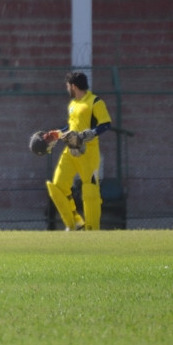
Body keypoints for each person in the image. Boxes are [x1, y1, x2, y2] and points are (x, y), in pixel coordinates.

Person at [44, 71, 112, 231]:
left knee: (90, 189)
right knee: (58, 185)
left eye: (68, 86)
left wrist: (90, 134)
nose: (68, 89)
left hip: (88, 152)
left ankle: (92, 229)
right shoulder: (73, 105)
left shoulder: (95, 102)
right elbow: (72, 127)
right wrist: (58, 134)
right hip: (71, 150)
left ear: (73, 86)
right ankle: (75, 222)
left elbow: (106, 123)